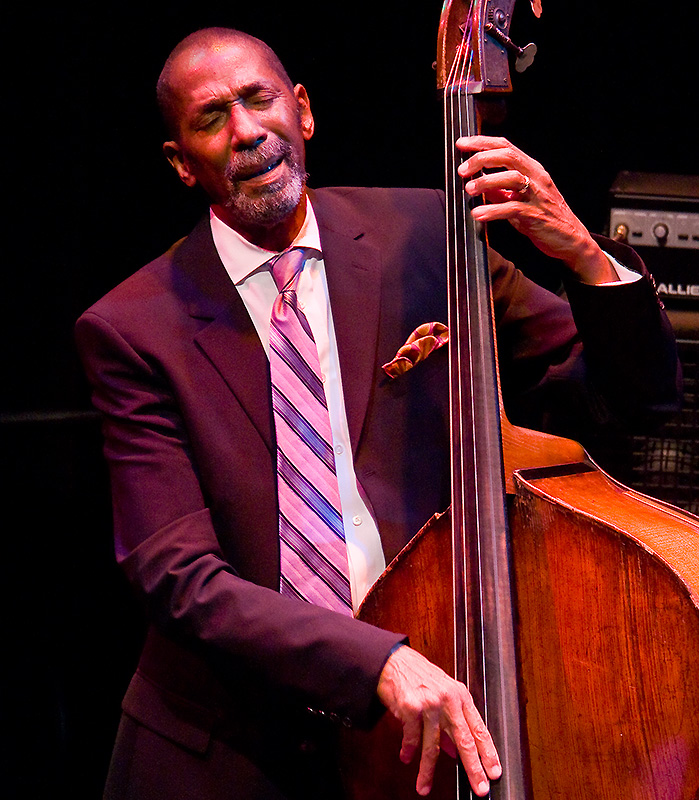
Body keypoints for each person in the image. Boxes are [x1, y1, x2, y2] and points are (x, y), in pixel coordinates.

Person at [75, 26, 680, 800]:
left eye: (259, 100)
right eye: (211, 118)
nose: (246, 131)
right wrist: (376, 659)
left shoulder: (422, 234)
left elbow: (634, 398)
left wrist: (583, 258)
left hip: (419, 744)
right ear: (180, 163)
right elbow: (179, 577)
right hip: (230, 751)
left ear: (302, 112)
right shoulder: (131, 328)